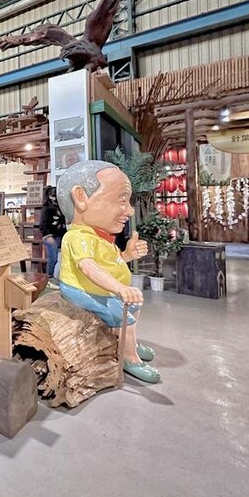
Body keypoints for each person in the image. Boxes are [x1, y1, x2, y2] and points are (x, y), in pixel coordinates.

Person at [56, 160, 160, 383]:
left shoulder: (99, 236)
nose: (130, 210)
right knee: (124, 317)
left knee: (134, 306)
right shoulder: (78, 237)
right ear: (81, 197)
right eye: (121, 200)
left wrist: (128, 255)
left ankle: (128, 342)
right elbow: (89, 268)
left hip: (102, 288)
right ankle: (129, 358)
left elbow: (110, 262)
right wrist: (119, 288)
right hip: (81, 289)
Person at [39, 186, 67, 279]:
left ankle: (54, 277)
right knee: (53, 258)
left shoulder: (59, 207)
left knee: (59, 258)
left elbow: (62, 222)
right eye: (53, 195)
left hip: (60, 235)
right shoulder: (46, 208)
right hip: (50, 236)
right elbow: (42, 224)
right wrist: (47, 236)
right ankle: (49, 277)